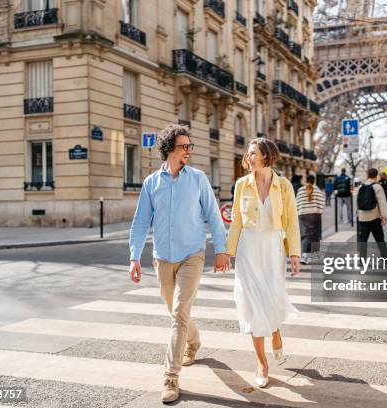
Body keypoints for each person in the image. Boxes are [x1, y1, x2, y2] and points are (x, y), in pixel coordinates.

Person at [128, 124, 230, 404]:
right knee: (176, 313)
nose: (189, 150)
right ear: (169, 149)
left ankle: (170, 378)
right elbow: (139, 223)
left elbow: (213, 214)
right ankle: (194, 341)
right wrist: (134, 257)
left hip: (192, 256)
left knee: (179, 314)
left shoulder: (197, 178)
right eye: (184, 146)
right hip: (162, 257)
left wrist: (221, 250)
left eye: (190, 146)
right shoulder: (152, 183)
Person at [226, 138, 301, 389]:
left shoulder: (284, 185)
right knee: (252, 304)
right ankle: (261, 363)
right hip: (249, 249)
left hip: (272, 249)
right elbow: (236, 220)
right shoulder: (241, 185)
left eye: (253, 153)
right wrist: (228, 252)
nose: (248, 158)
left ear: (267, 156)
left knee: (272, 297)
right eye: (247, 154)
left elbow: (291, 220)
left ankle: (276, 330)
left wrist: (295, 254)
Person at [356, 168, 387, 259]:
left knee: (363, 240)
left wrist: (358, 215)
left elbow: (358, 202)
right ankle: (384, 257)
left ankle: (362, 261)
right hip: (374, 218)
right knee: (379, 239)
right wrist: (384, 217)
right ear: (376, 176)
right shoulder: (377, 187)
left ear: (367, 175)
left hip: (362, 218)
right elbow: (382, 203)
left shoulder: (360, 187)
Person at [296, 175, 325, 265]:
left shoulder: (300, 190)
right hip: (315, 215)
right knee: (315, 235)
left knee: (305, 235)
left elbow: (297, 203)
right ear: (314, 181)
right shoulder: (317, 190)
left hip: (303, 215)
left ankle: (304, 257)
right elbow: (321, 203)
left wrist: (299, 212)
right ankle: (315, 255)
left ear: (306, 180)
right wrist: (319, 212)